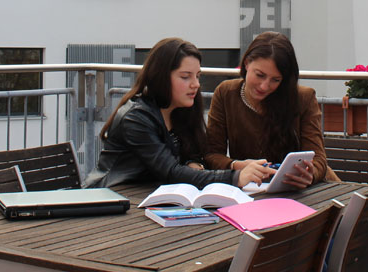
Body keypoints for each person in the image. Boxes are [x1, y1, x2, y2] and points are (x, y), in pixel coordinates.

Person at [84, 37, 261, 190]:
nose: (196, 84)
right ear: (160, 76)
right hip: (109, 198)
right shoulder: (136, 117)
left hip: (143, 197)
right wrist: (236, 177)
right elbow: (170, 171)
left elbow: (196, 154)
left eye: (197, 76)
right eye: (185, 77)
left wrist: (194, 163)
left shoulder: (181, 109)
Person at [205, 31, 336, 188]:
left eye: (276, 80)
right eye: (260, 75)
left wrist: (310, 174)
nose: (265, 86)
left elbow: (319, 158)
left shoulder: (302, 98)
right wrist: (237, 165)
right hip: (252, 189)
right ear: (246, 63)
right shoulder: (226, 93)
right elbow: (212, 155)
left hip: (306, 190)